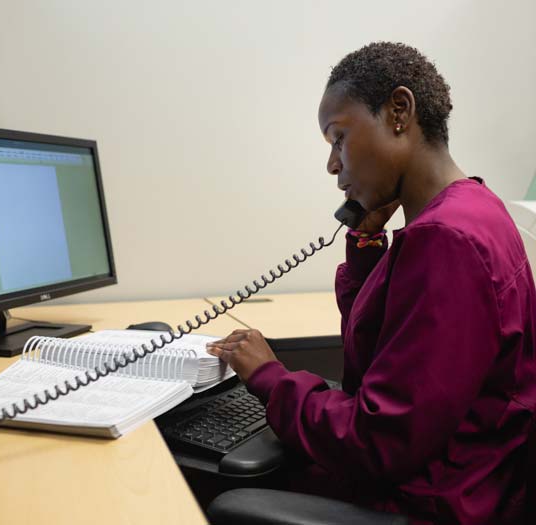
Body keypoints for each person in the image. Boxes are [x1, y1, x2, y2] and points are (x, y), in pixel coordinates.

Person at [206, 42, 536, 524]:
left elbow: (376, 441)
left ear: (399, 111)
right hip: (457, 480)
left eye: (338, 138)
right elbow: (386, 355)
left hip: (427, 502)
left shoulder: (445, 239)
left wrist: (269, 378)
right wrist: (364, 244)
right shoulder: (474, 209)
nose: (333, 165)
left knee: (211, 476)